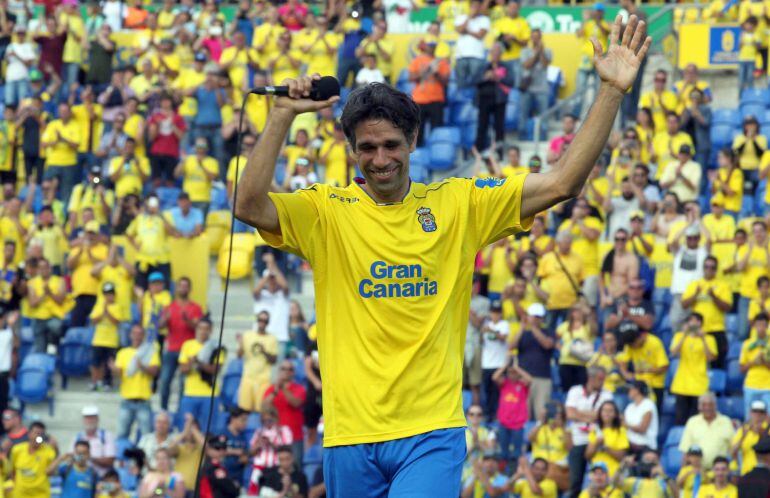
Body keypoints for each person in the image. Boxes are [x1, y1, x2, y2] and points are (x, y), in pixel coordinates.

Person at [233, 16, 651, 495]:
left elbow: (562, 182)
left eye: (391, 144)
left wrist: (612, 91)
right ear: (350, 150)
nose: (380, 158)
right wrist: (282, 115)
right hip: (351, 434)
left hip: (430, 432)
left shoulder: (460, 204)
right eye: (366, 147)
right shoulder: (325, 211)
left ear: (413, 142)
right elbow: (248, 206)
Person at [565, 367, 613, 497]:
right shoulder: (575, 391)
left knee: (600, 480)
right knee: (575, 481)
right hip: (577, 439)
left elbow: (603, 416)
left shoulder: (607, 394)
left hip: (597, 441)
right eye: (600, 379)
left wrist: (579, 414)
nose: (602, 382)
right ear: (590, 378)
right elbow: (569, 414)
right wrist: (593, 416)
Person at [158, 276, 203, 411]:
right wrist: (164, 319)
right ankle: (164, 409)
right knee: (165, 381)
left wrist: (187, 320)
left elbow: (199, 327)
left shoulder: (195, 308)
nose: (183, 288)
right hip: (171, 349)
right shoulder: (169, 307)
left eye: (185, 286)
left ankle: (180, 411)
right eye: (180, 286)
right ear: (176, 288)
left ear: (189, 289)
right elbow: (159, 326)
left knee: (184, 384)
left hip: (188, 351)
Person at [681, 256, 732, 369]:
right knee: (695, 364)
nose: (709, 270)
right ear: (703, 268)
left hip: (716, 330)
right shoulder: (695, 284)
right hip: (697, 330)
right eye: (706, 267)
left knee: (717, 364)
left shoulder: (723, 285)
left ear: (716, 269)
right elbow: (684, 305)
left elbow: (727, 307)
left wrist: (714, 297)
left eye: (712, 267)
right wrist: (695, 294)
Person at [111, 324, 159, 440]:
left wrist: (142, 366)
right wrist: (114, 370)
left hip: (143, 400)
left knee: (146, 436)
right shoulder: (122, 353)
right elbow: (118, 374)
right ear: (130, 335)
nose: (137, 336)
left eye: (140, 334)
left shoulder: (150, 352)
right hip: (126, 400)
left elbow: (155, 372)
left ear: (143, 336)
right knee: (122, 434)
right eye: (135, 333)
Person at [670, 313, 717, 425]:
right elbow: (673, 353)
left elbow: (711, 357)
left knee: (697, 422)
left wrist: (703, 339)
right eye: (689, 321)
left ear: (700, 323)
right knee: (680, 420)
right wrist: (684, 335)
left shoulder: (709, 339)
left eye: (694, 321)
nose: (692, 323)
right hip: (681, 385)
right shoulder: (679, 336)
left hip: (699, 385)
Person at [512, 302, 555, 420]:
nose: (536, 319)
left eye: (538, 317)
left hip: (542, 378)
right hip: (523, 378)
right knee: (522, 413)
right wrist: (521, 328)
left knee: (541, 413)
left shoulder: (548, 332)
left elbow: (547, 344)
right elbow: (512, 346)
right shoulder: (523, 333)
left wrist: (533, 328)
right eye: (533, 316)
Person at [178, 318, 225, 427]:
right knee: (186, 428)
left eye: (206, 329)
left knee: (208, 430)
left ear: (211, 330)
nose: (203, 331)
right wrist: (191, 363)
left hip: (209, 394)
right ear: (196, 329)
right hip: (190, 393)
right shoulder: (187, 345)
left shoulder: (217, 347)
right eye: (200, 328)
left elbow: (215, 369)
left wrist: (198, 362)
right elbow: (183, 369)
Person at [263, 359, 306, 466]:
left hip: (295, 437)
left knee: (295, 468)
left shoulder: (299, 389)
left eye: (290, 369)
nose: (287, 371)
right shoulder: (271, 389)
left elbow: (296, 403)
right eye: (284, 369)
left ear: (294, 372)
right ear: (279, 371)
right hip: (275, 437)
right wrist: (275, 391)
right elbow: (264, 406)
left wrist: (283, 388)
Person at [679, 393, 735, 469]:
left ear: (715, 406)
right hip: (697, 471)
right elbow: (686, 451)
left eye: (710, 404)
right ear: (699, 407)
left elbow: (733, 449)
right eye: (704, 405)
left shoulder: (726, 421)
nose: (707, 408)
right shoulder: (692, 422)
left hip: (719, 473)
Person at [492, 358, 531, 467]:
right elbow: (494, 377)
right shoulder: (504, 384)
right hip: (503, 423)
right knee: (503, 452)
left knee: (517, 453)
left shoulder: (523, 386)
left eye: (514, 373)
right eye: (510, 372)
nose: (512, 374)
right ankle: (502, 473)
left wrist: (517, 368)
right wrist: (505, 366)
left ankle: (514, 472)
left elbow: (530, 379)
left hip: (518, 424)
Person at [238, 310, 278, 413]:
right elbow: (239, 355)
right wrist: (240, 344)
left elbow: (274, 360)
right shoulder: (247, 335)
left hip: (263, 379)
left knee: (261, 410)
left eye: (265, 321)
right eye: (260, 320)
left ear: (268, 322)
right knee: (244, 409)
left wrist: (264, 351)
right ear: (257, 320)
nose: (262, 323)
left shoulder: (272, 338)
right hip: (248, 377)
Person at [252, 252, 290, 355]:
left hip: (279, 338)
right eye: (270, 279)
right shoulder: (261, 295)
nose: (272, 281)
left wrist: (272, 264)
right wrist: (268, 274)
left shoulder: (283, 296)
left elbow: (285, 286)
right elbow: (255, 291)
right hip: (260, 337)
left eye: (274, 278)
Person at [529, 401, 572, 492]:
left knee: (552, 471)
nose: (554, 417)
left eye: (558, 414)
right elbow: (530, 438)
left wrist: (563, 426)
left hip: (558, 468)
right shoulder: (540, 428)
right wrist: (541, 421)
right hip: (539, 467)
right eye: (553, 414)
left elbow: (569, 448)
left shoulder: (565, 431)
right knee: (544, 470)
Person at [10, 421, 57, 498]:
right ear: (29, 434)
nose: (38, 437)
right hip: (20, 495)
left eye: (41, 434)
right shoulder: (17, 450)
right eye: (36, 433)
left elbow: (50, 473)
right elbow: (12, 471)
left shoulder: (49, 451)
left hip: (40, 495)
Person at [481, 298, 509, 419]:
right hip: (486, 363)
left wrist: (490, 330)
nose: (495, 314)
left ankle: (497, 415)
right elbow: (481, 341)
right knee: (487, 391)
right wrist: (482, 332)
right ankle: (488, 415)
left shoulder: (504, 324)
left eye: (497, 312)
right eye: (493, 311)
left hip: (499, 364)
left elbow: (503, 338)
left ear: (501, 313)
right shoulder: (487, 325)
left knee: (497, 392)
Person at [72, 406, 116, 477]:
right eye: (87, 418)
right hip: (82, 477)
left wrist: (89, 457)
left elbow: (110, 461)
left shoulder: (107, 436)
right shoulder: (77, 437)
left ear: (97, 419)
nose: (89, 420)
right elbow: (72, 458)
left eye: (92, 418)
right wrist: (84, 457)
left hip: (103, 478)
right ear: (83, 420)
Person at [731, 400, 769, 476]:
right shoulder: (743, 430)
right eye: (755, 411)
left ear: (765, 414)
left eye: (761, 412)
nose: (758, 414)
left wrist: (762, 433)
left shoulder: (768, 429)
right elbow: (733, 452)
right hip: (747, 472)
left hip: (766, 473)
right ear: (750, 413)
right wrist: (743, 437)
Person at [623, 380, 659, 453]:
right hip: (629, 445)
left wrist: (626, 425)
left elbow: (642, 429)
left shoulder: (648, 405)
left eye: (630, 389)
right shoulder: (629, 407)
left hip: (645, 447)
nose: (628, 392)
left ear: (637, 390)